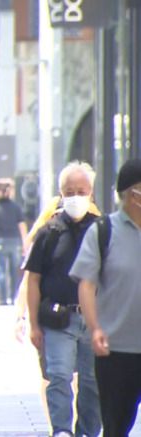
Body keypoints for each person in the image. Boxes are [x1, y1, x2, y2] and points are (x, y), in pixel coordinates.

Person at [25, 162, 102, 437]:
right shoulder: (49, 233)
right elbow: (33, 280)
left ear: (91, 192)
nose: (75, 196)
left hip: (94, 320)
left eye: (81, 190)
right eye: (69, 191)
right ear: (61, 193)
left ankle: (88, 431)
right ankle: (61, 430)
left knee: (93, 381)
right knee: (58, 376)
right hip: (58, 318)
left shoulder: (103, 231)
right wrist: (32, 323)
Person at [71, 158, 141, 437]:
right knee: (116, 426)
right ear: (134, 194)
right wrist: (95, 327)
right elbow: (86, 284)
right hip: (115, 350)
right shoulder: (103, 231)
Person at [0, 179, 28, 305]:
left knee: (1, 271)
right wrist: (25, 243)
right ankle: (13, 297)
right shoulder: (16, 207)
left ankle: (2, 299)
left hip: (0, 242)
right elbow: (22, 226)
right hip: (15, 241)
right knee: (14, 271)